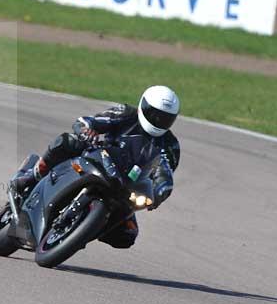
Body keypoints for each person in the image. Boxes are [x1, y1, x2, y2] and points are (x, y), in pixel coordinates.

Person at [10, 86, 181, 249]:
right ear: (142, 106)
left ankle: (80, 233)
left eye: (165, 118)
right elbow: (88, 121)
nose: (158, 120)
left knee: (127, 235)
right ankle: (32, 176)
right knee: (68, 141)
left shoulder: (170, 145)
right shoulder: (126, 113)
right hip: (98, 157)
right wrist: (86, 130)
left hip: (126, 186)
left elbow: (165, 174)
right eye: (154, 114)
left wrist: (159, 192)